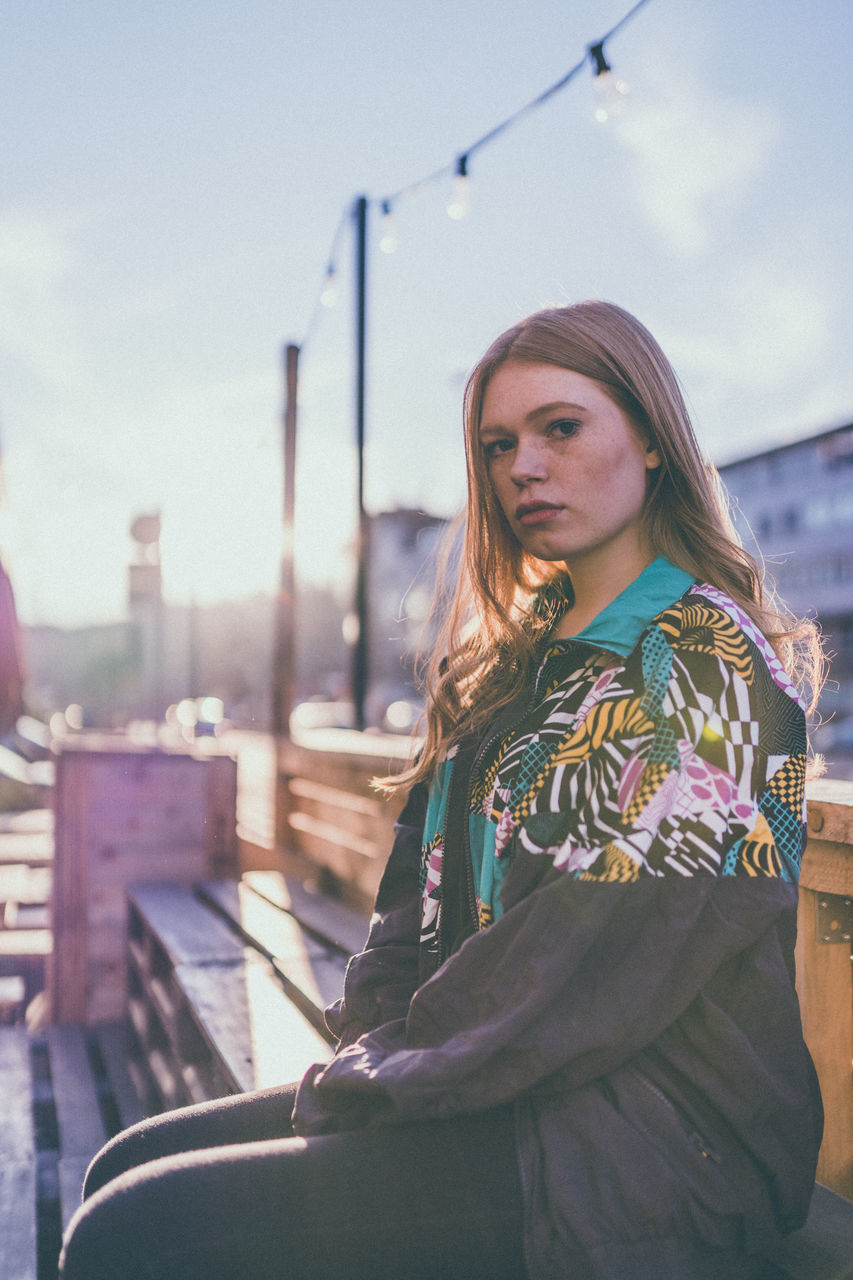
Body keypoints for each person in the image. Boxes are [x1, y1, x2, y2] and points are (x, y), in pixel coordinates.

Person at [60, 301, 825, 1280]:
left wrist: (378, 1080)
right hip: (498, 1075)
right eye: (498, 443)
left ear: (649, 435)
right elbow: (408, 913)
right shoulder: (510, 669)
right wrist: (369, 1046)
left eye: (560, 426)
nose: (523, 466)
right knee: (121, 1163)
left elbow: (592, 956)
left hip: (653, 1136)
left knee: (140, 1231)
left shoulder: (709, 660)